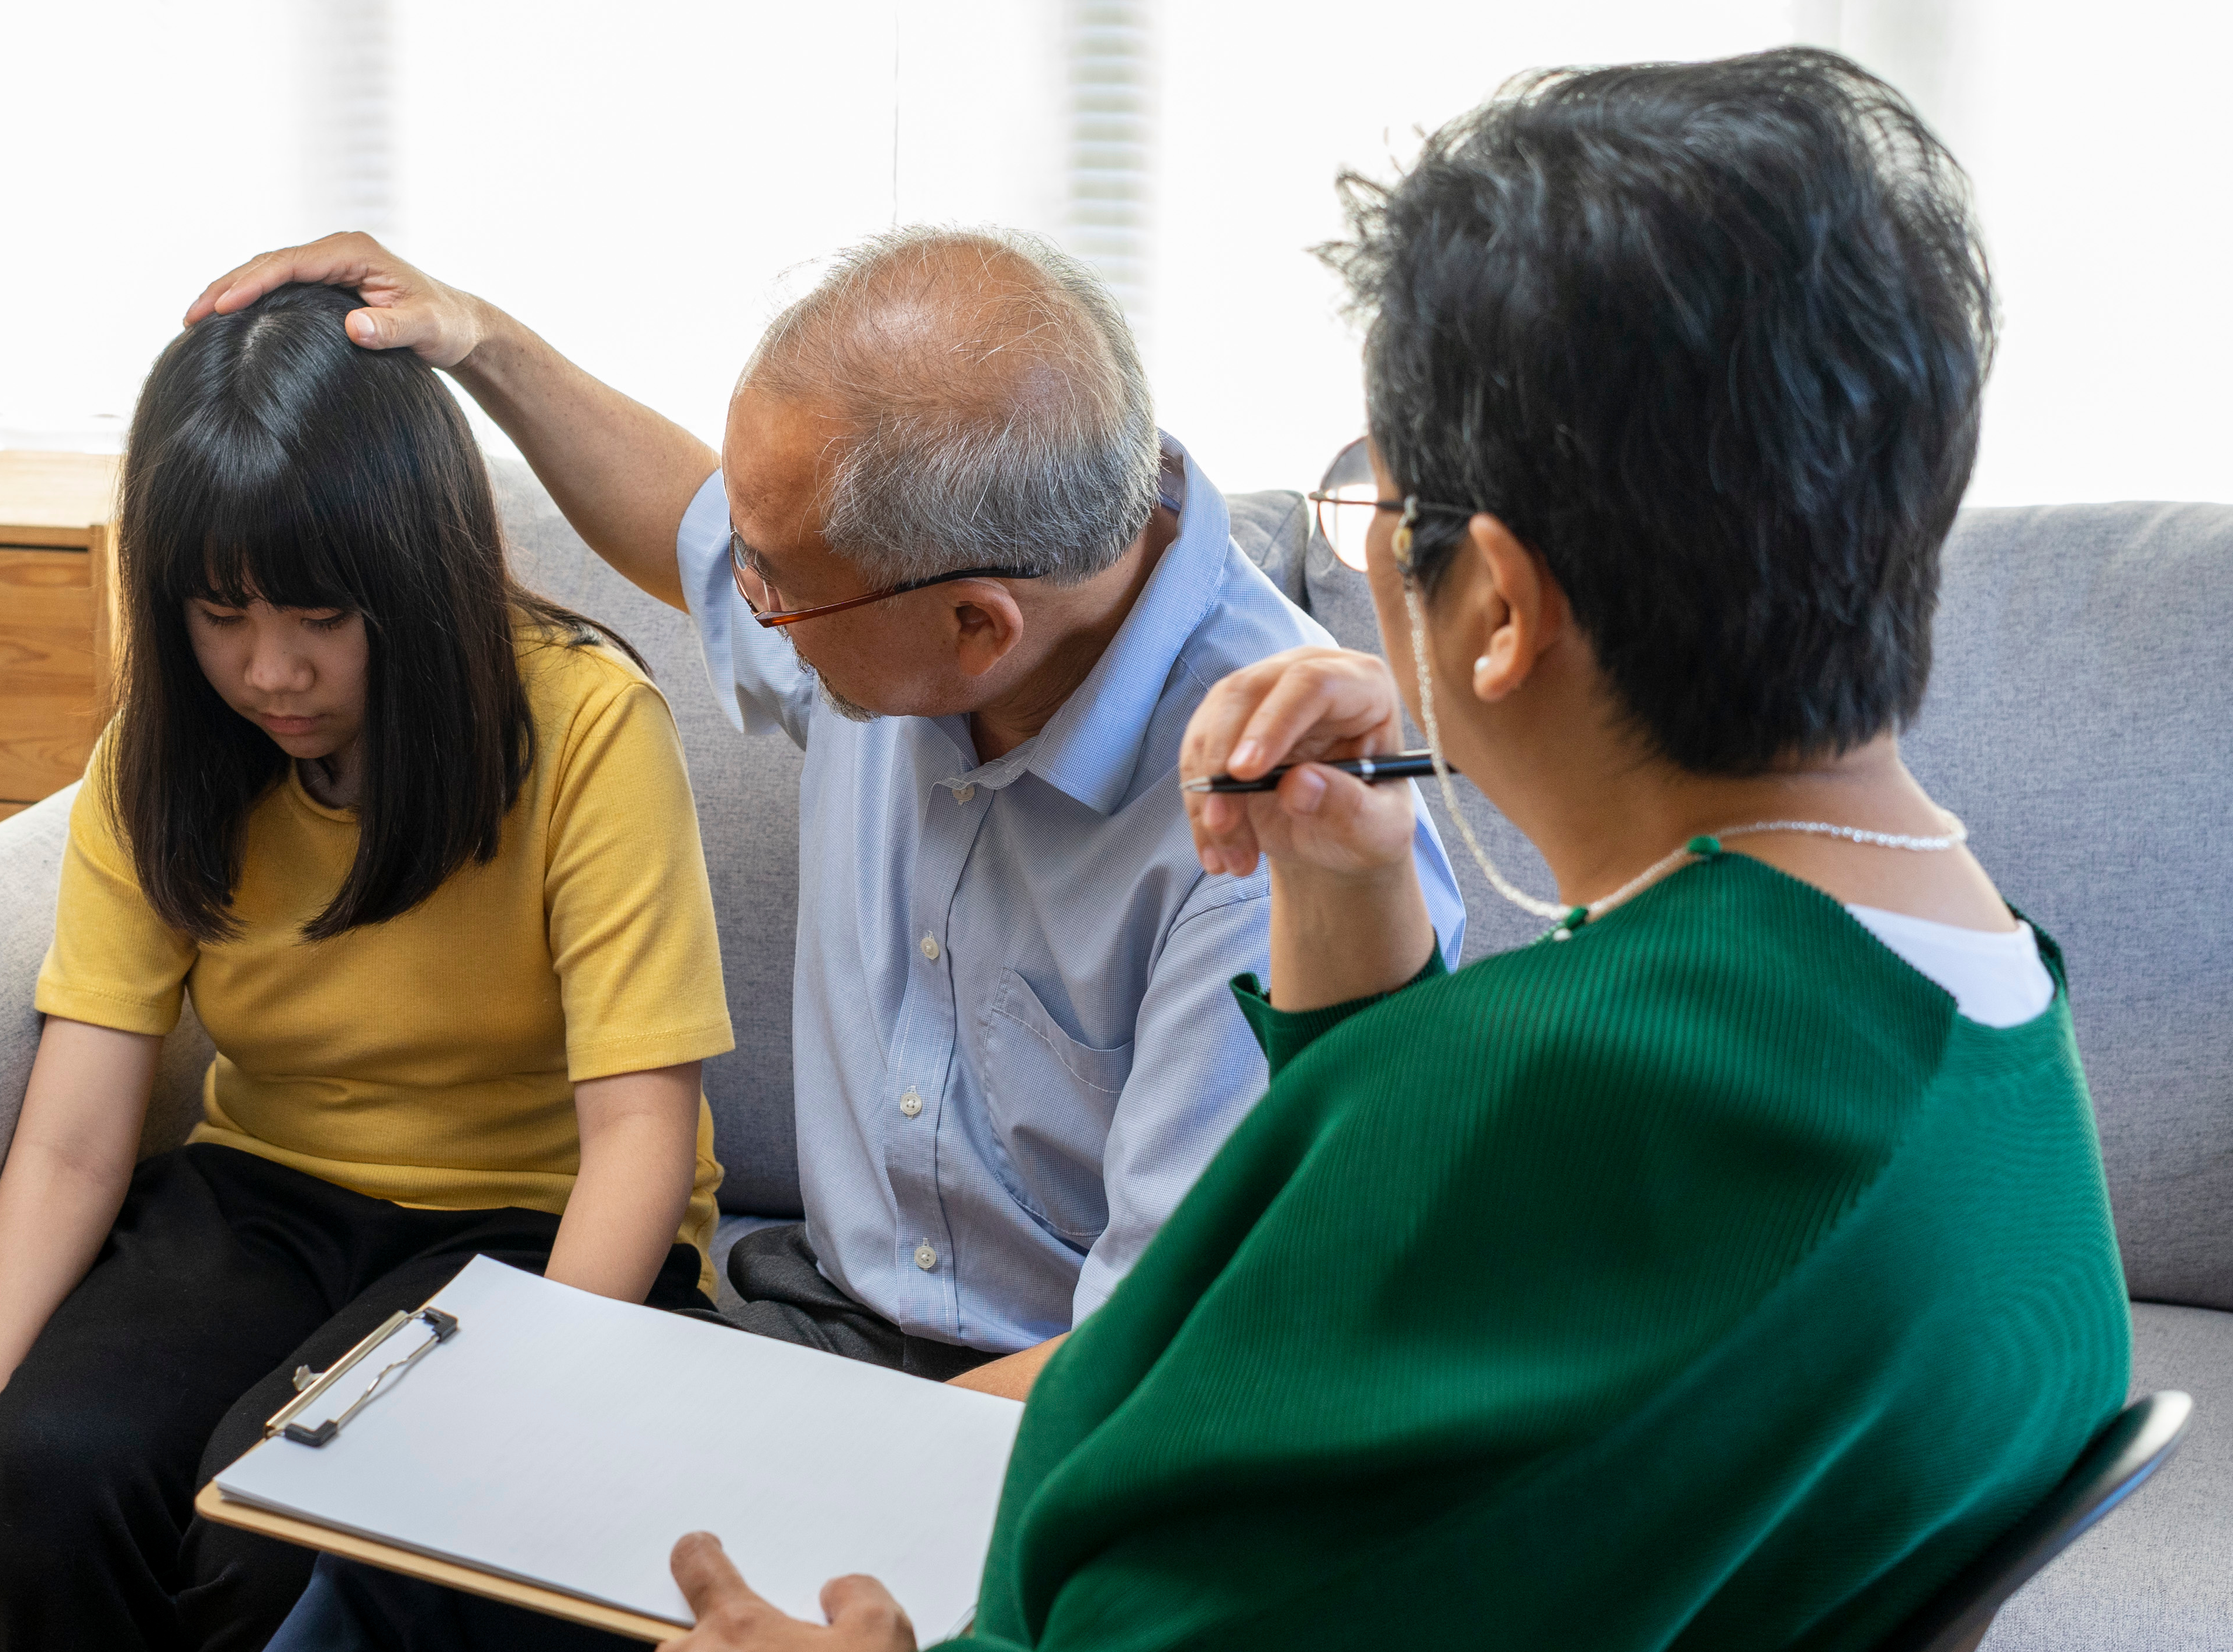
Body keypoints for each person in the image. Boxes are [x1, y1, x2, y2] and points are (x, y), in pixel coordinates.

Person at [0, 46, 2130, 1652]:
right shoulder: (1976, 1023)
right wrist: (1357, 937)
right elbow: (1389, 1431)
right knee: (409, 1602)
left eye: (1374, 493)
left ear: (1491, 603)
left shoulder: (1547, 1103)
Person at [180, 222, 1464, 1396]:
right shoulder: (918, 602)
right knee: (396, 1533)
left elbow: (1170, 1352)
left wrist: (810, 1477)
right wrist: (483, 341)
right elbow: (690, 530)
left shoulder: (1276, 832)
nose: (743, 604)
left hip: (1073, 1404)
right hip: (823, 1324)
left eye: (773, 583)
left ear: (976, 629)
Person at [0, 281, 737, 1652]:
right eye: (219, 615)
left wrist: (510, 1409)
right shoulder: (165, 748)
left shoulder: (584, 725)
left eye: (319, 617)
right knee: (42, 1498)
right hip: (269, 1199)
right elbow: (73, 1139)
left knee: (292, 1532)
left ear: (409, 573)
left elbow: (641, 1134)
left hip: (539, 1232)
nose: (269, 671)